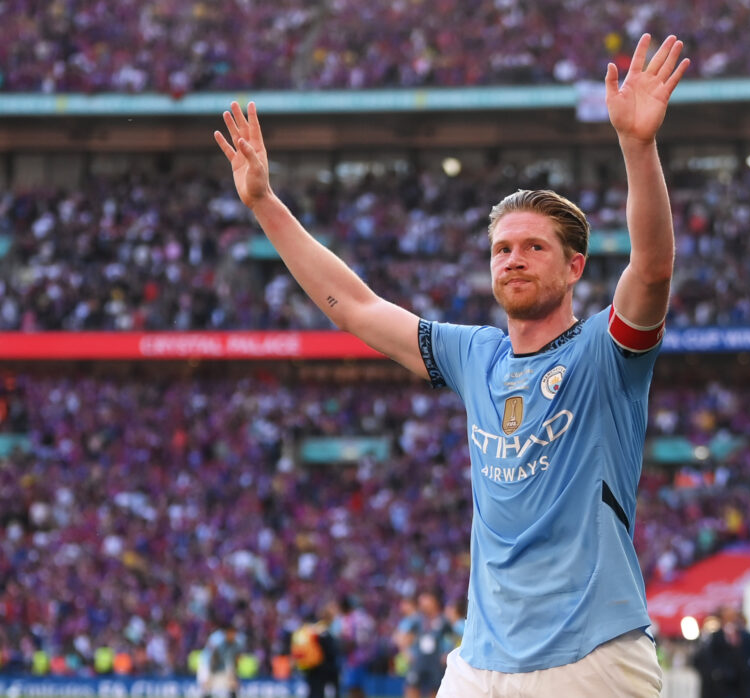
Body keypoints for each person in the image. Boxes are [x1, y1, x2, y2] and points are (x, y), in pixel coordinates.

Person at [215, 31, 689, 697]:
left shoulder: (605, 354)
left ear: (576, 266)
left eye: (532, 247)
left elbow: (653, 268)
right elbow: (354, 306)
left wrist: (638, 147)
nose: (513, 259)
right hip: (482, 664)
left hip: (593, 659)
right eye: (501, 249)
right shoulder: (475, 355)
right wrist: (265, 204)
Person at [197, 621, 244, 698]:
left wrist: (234, 673)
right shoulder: (219, 639)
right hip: (209, 663)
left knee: (233, 684)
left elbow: (235, 659)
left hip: (220, 665)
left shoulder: (234, 643)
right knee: (207, 685)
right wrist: (212, 672)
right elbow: (214, 657)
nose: (234, 635)